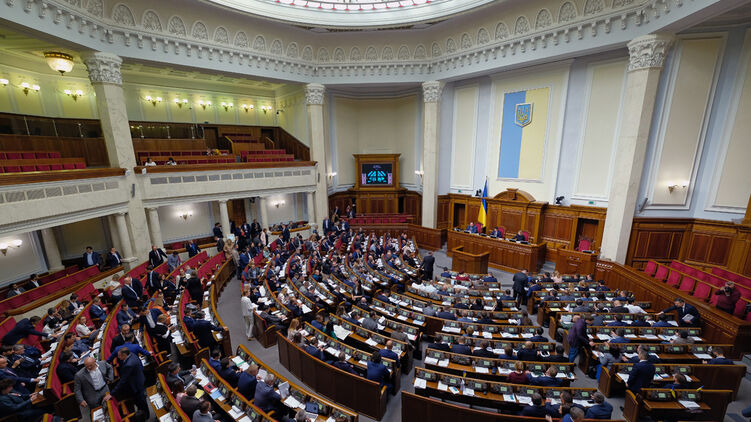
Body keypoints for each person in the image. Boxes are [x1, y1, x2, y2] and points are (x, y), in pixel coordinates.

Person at [74, 357, 114, 422]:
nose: (89, 367)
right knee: (96, 412)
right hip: (92, 395)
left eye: (90, 365)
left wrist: (110, 378)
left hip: (104, 389)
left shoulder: (102, 364)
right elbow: (77, 389)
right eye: (86, 366)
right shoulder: (79, 375)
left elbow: (110, 367)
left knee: (109, 408)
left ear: (95, 362)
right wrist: (80, 400)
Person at [111, 348, 148, 416]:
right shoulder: (132, 354)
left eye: (119, 356)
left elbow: (123, 380)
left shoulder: (129, 364)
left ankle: (145, 415)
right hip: (139, 379)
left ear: (124, 355)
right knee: (142, 400)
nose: (118, 357)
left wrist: (112, 393)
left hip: (136, 385)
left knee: (141, 401)